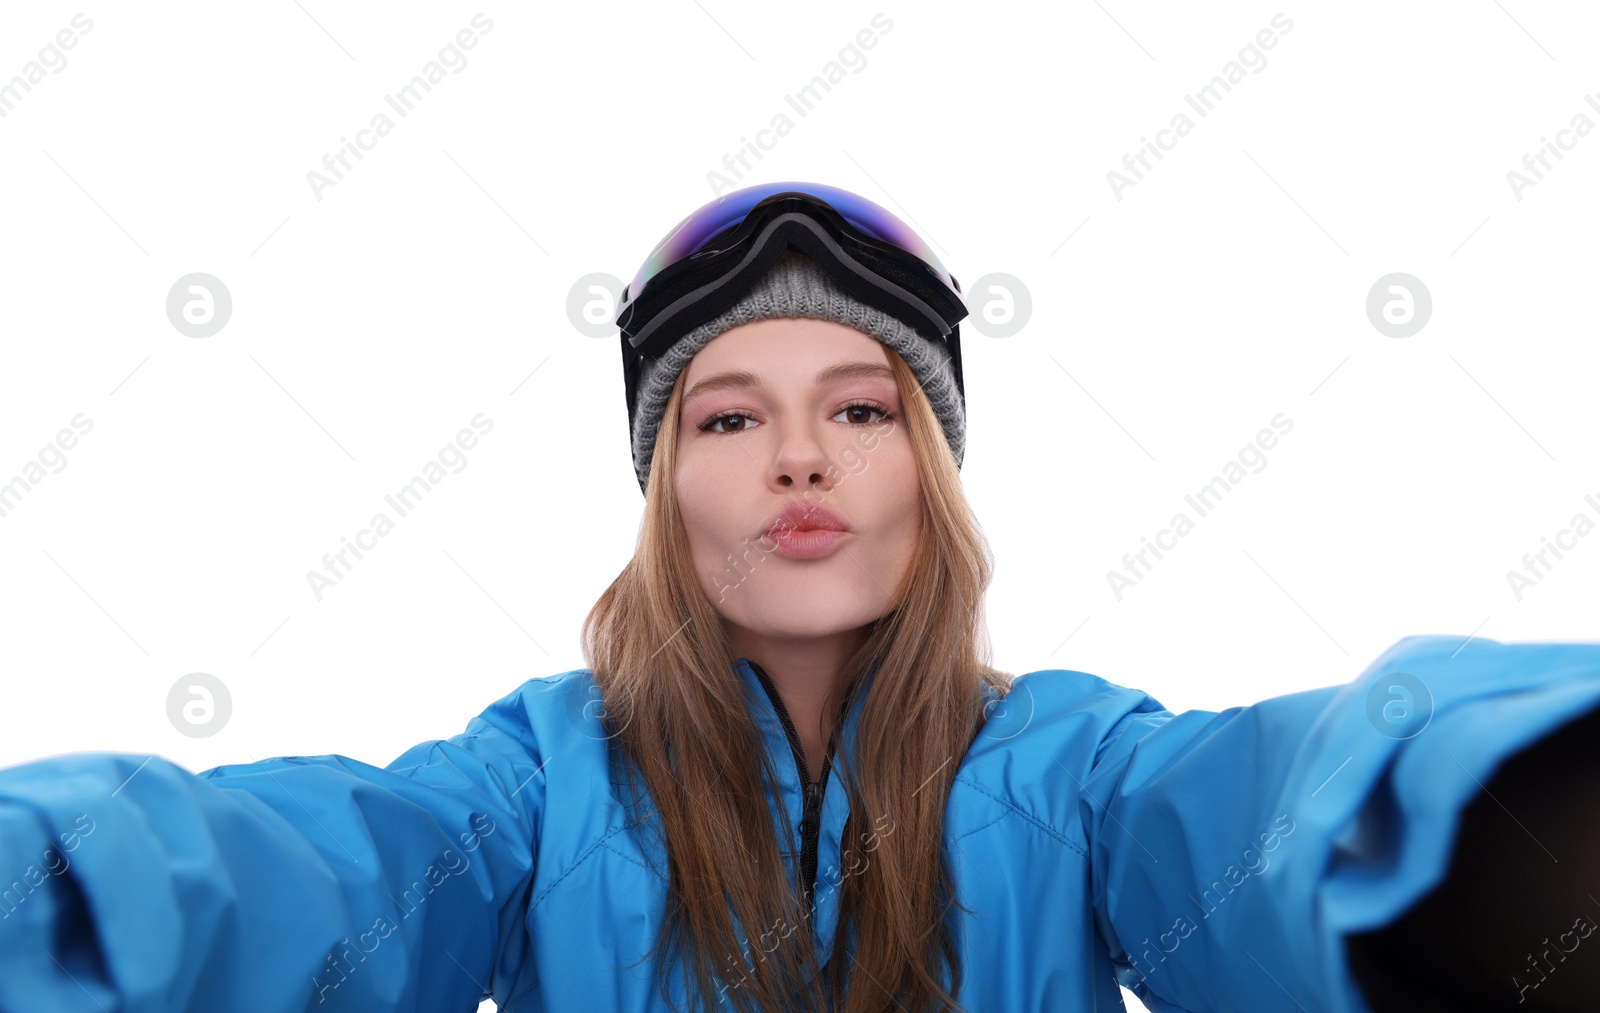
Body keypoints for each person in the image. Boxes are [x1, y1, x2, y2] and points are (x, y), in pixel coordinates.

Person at [0, 183, 1596, 1013]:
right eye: (728, 414)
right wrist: (41, 895)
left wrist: (1517, 836)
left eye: (859, 406)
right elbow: (307, 876)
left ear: (928, 470)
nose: (796, 459)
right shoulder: (538, 787)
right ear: (668, 486)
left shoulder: (1070, 773)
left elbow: (1278, 819)